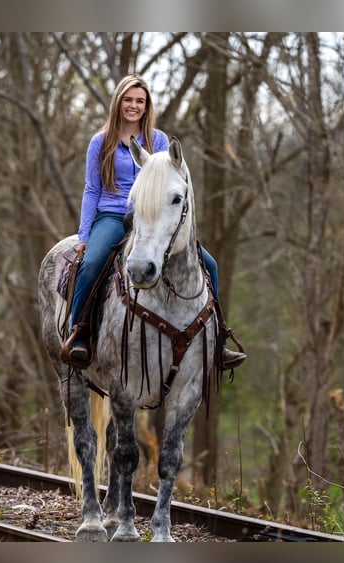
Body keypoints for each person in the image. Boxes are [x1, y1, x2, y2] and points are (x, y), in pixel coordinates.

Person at [61, 74, 246, 370]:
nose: (134, 106)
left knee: (209, 264)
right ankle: (80, 333)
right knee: (93, 263)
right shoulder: (101, 142)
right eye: (128, 100)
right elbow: (91, 189)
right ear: (118, 103)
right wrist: (84, 234)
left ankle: (219, 342)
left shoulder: (158, 140)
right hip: (111, 215)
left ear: (147, 106)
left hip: (151, 218)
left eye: (140, 101)